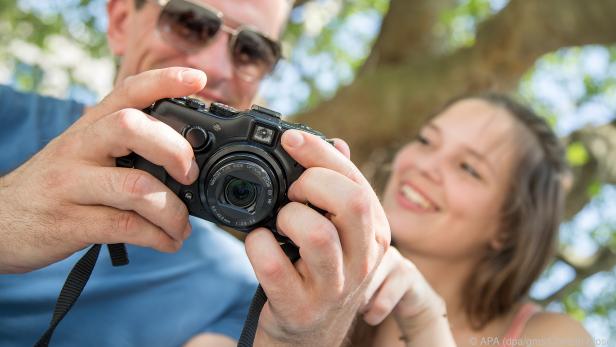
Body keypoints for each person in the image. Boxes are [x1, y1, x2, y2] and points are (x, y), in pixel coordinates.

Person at [0, 1, 390, 346]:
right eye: (189, 22)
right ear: (120, 21)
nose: (215, 67)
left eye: (252, 51)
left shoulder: (255, 287)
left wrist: (304, 338)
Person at [347, 93, 594, 347]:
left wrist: (425, 324)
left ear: (507, 228)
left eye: (468, 168)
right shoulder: (328, 271)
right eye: (426, 140)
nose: (426, 165)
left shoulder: (554, 337)